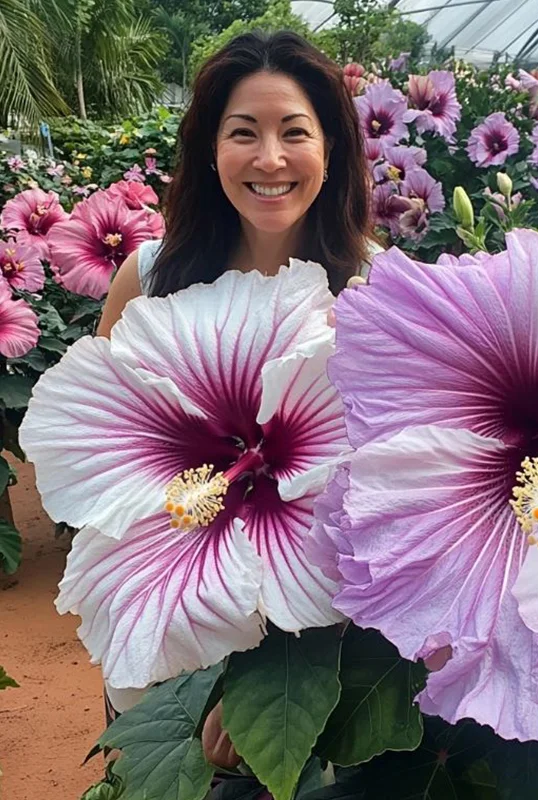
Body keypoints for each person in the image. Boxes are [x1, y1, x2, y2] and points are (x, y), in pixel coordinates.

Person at [96, 28, 378, 781]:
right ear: (209, 149)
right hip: (168, 624)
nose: (270, 159)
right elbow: (105, 456)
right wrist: (198, 677)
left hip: (314, 637)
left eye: (295, 132)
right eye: (242, 133)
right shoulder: (151, 278)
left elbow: (391, 505)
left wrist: (257, 686)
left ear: (332, 149)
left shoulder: (375, 293)